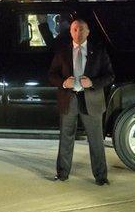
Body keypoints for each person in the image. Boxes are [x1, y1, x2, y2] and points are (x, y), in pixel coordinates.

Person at [48, 18, 115, 185]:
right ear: (70, 32)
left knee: (96, 140)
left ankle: (101, 177)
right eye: (75, 29)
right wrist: (64, 82)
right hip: (69, 99)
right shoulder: (62, 51)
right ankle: (62, 173)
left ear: (88, 32)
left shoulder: (98, 51)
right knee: (66, 138)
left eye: (82, 29)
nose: (78, 32)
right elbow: (52, 75)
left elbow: (110, 76)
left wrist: (92, 82)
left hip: (91, 100)